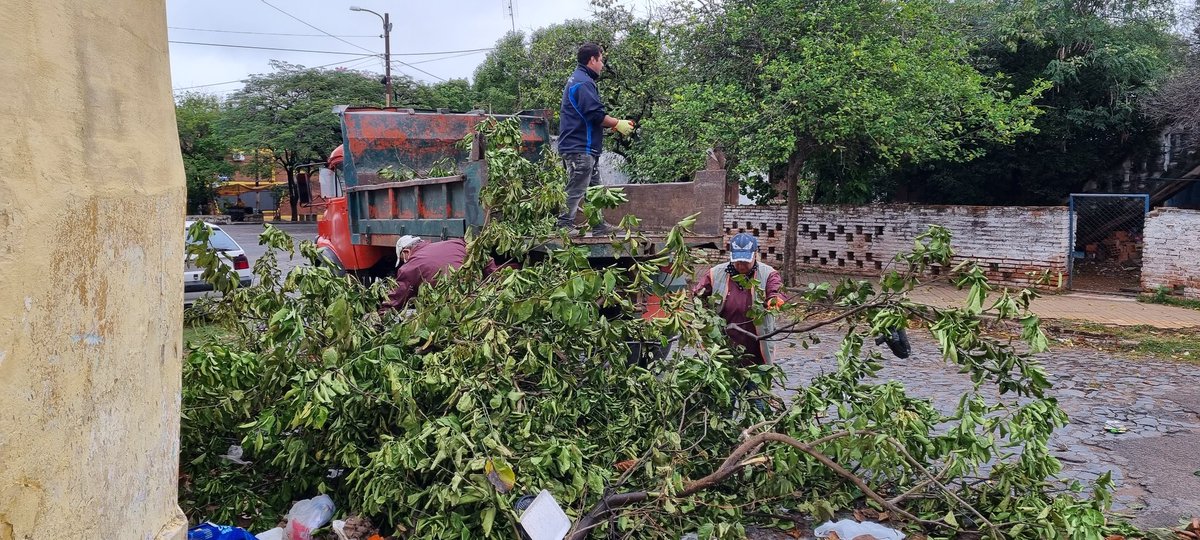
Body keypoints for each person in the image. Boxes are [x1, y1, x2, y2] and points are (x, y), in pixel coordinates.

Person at [556, 42, 636, 234]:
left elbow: (587, 116)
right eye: (601, 60)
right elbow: (595, 115)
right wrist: (617, 123)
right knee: (576, 187)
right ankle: (564, 225)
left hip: (584, 146)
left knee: (594, 189)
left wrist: (613, 125)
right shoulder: (583, 82)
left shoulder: (580, 79)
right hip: (579, 147)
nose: (602, 65)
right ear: (592, 60)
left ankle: (598, 225)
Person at [693, 233, 787, 366]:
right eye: (738, 261)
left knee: (753, 383)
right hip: (722, 348)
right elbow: (698, 296)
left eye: (745, 261)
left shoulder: (769, 274)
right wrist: (704, 318)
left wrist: (775, 300)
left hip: (756, 348)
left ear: (755, 254)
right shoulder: (715, 274)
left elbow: (776, 291)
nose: (741, 265)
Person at [380, 235, 497, 312]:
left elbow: (397, 298)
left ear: (406, 252)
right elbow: (485, 259)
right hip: (482, 299)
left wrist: (382, 314)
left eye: (402, 258)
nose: (404, 262)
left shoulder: (409, 267)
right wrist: (497, 282)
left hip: (454, 308)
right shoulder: (457, 243)